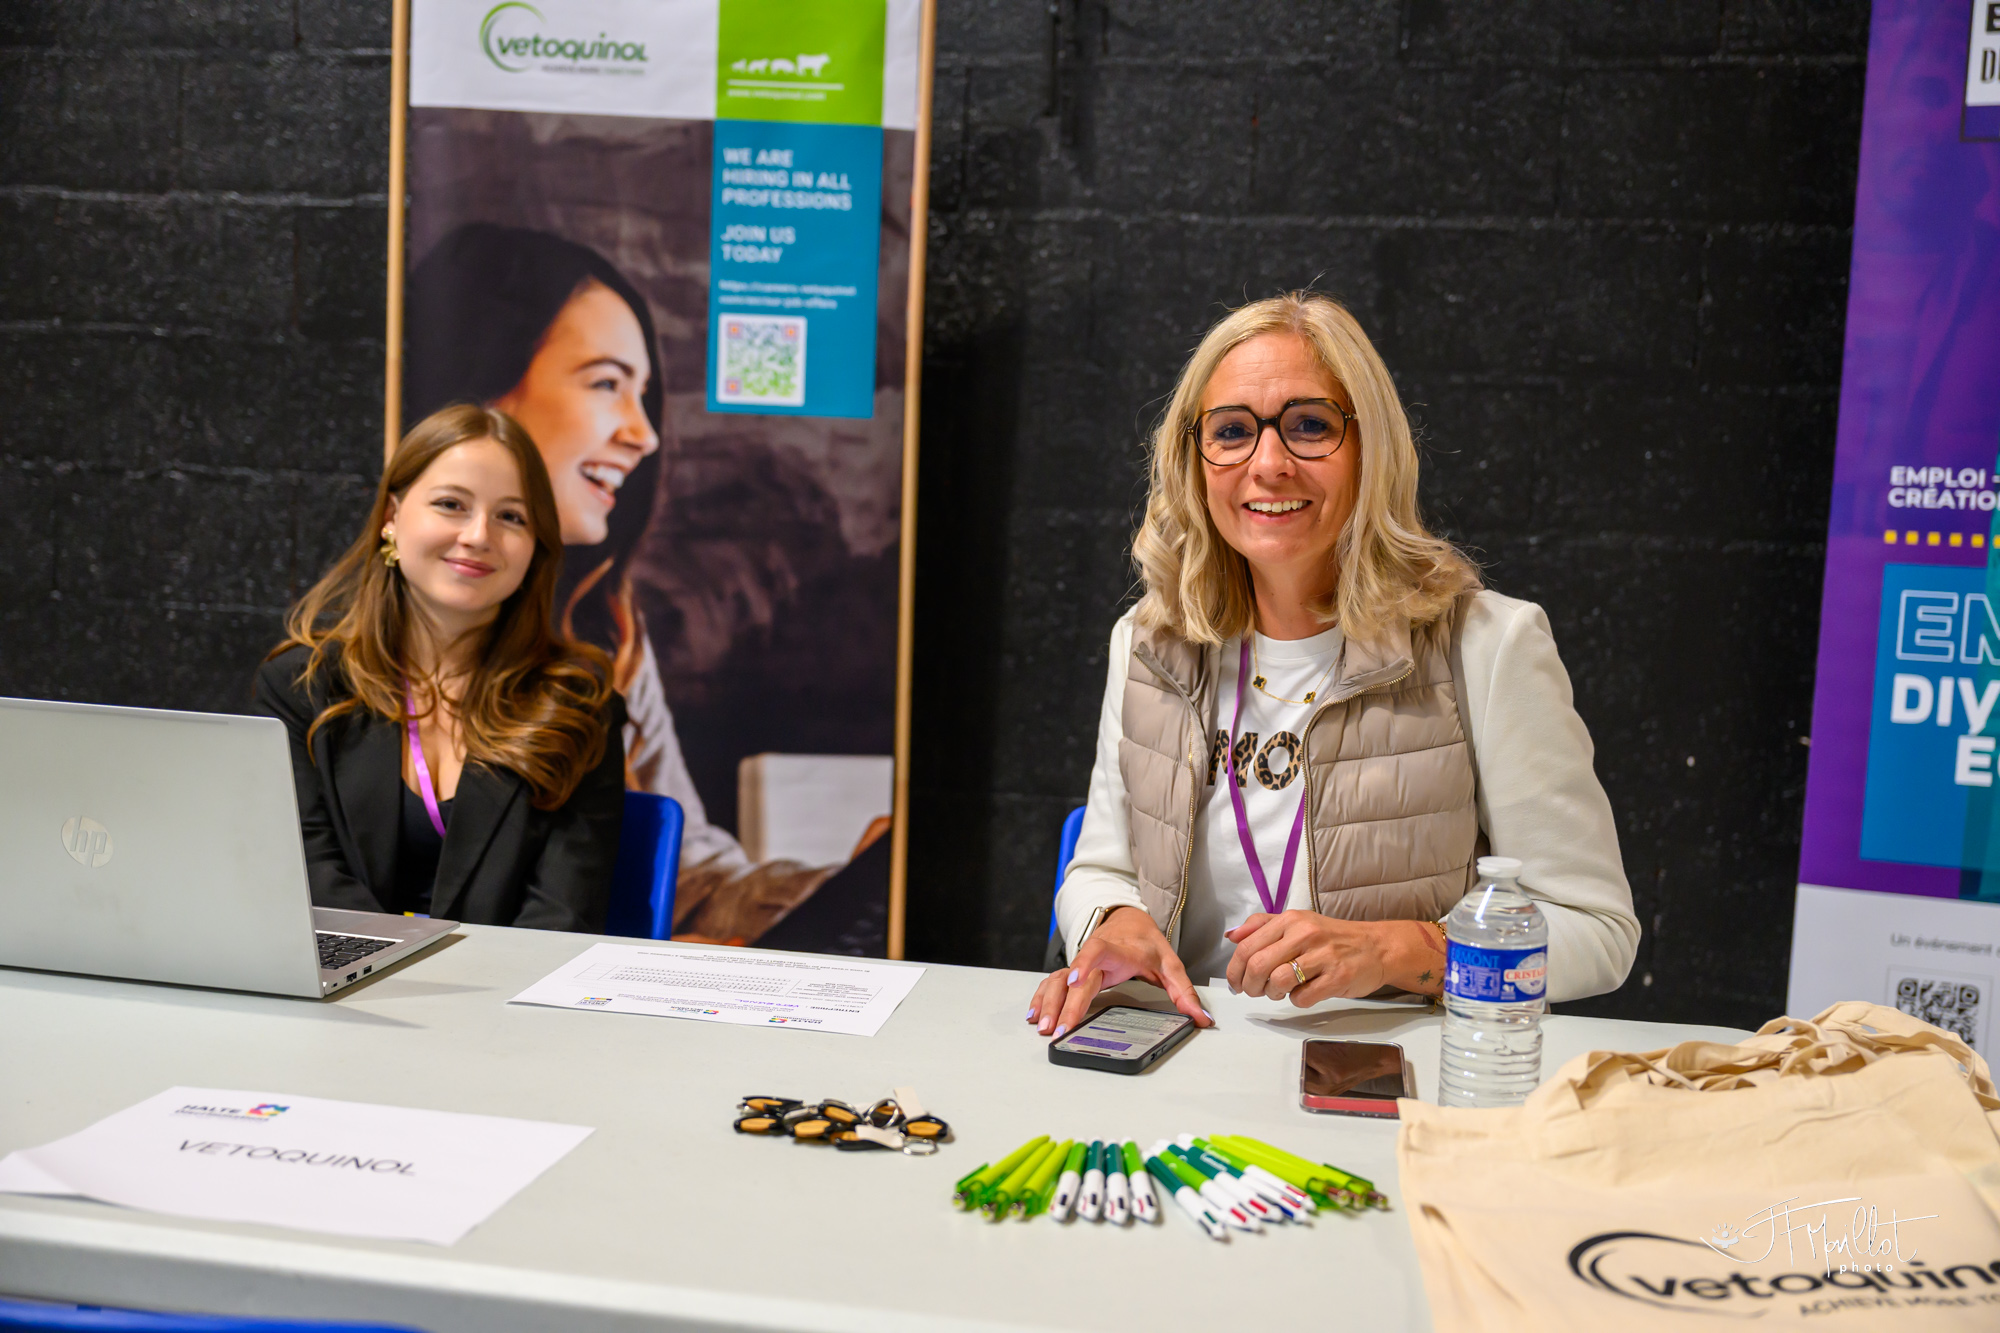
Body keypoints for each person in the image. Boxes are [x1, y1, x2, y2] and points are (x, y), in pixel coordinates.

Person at [1030, 292, 1639, 1037]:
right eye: (1231, 431)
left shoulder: (1487, 644)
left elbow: (1597, 932)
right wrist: (1114, 919)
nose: (1268, 464)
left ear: (1370, 449)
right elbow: (1101, 867)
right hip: (1184, 1053)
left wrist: (1398, 952)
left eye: (1310, 426)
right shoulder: (1150, 642)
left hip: (1383, 1069)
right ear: (1195, 460)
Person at [404, 223, 835, 941]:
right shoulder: (322, 676)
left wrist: (842, 887)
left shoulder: (604, 640)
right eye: (606, 383)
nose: (645, 434)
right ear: (487, 397)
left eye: (643, 393)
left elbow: (681, 879)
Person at [254, 404, 626, 930]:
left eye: (511, 517)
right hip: (344, 973)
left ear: (535, 547)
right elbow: (306, 879)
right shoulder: (302, 687)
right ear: (391, 517)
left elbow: (563, 914)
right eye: (451, 504)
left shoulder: (580, 708)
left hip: (512, 979)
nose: (478, 536)